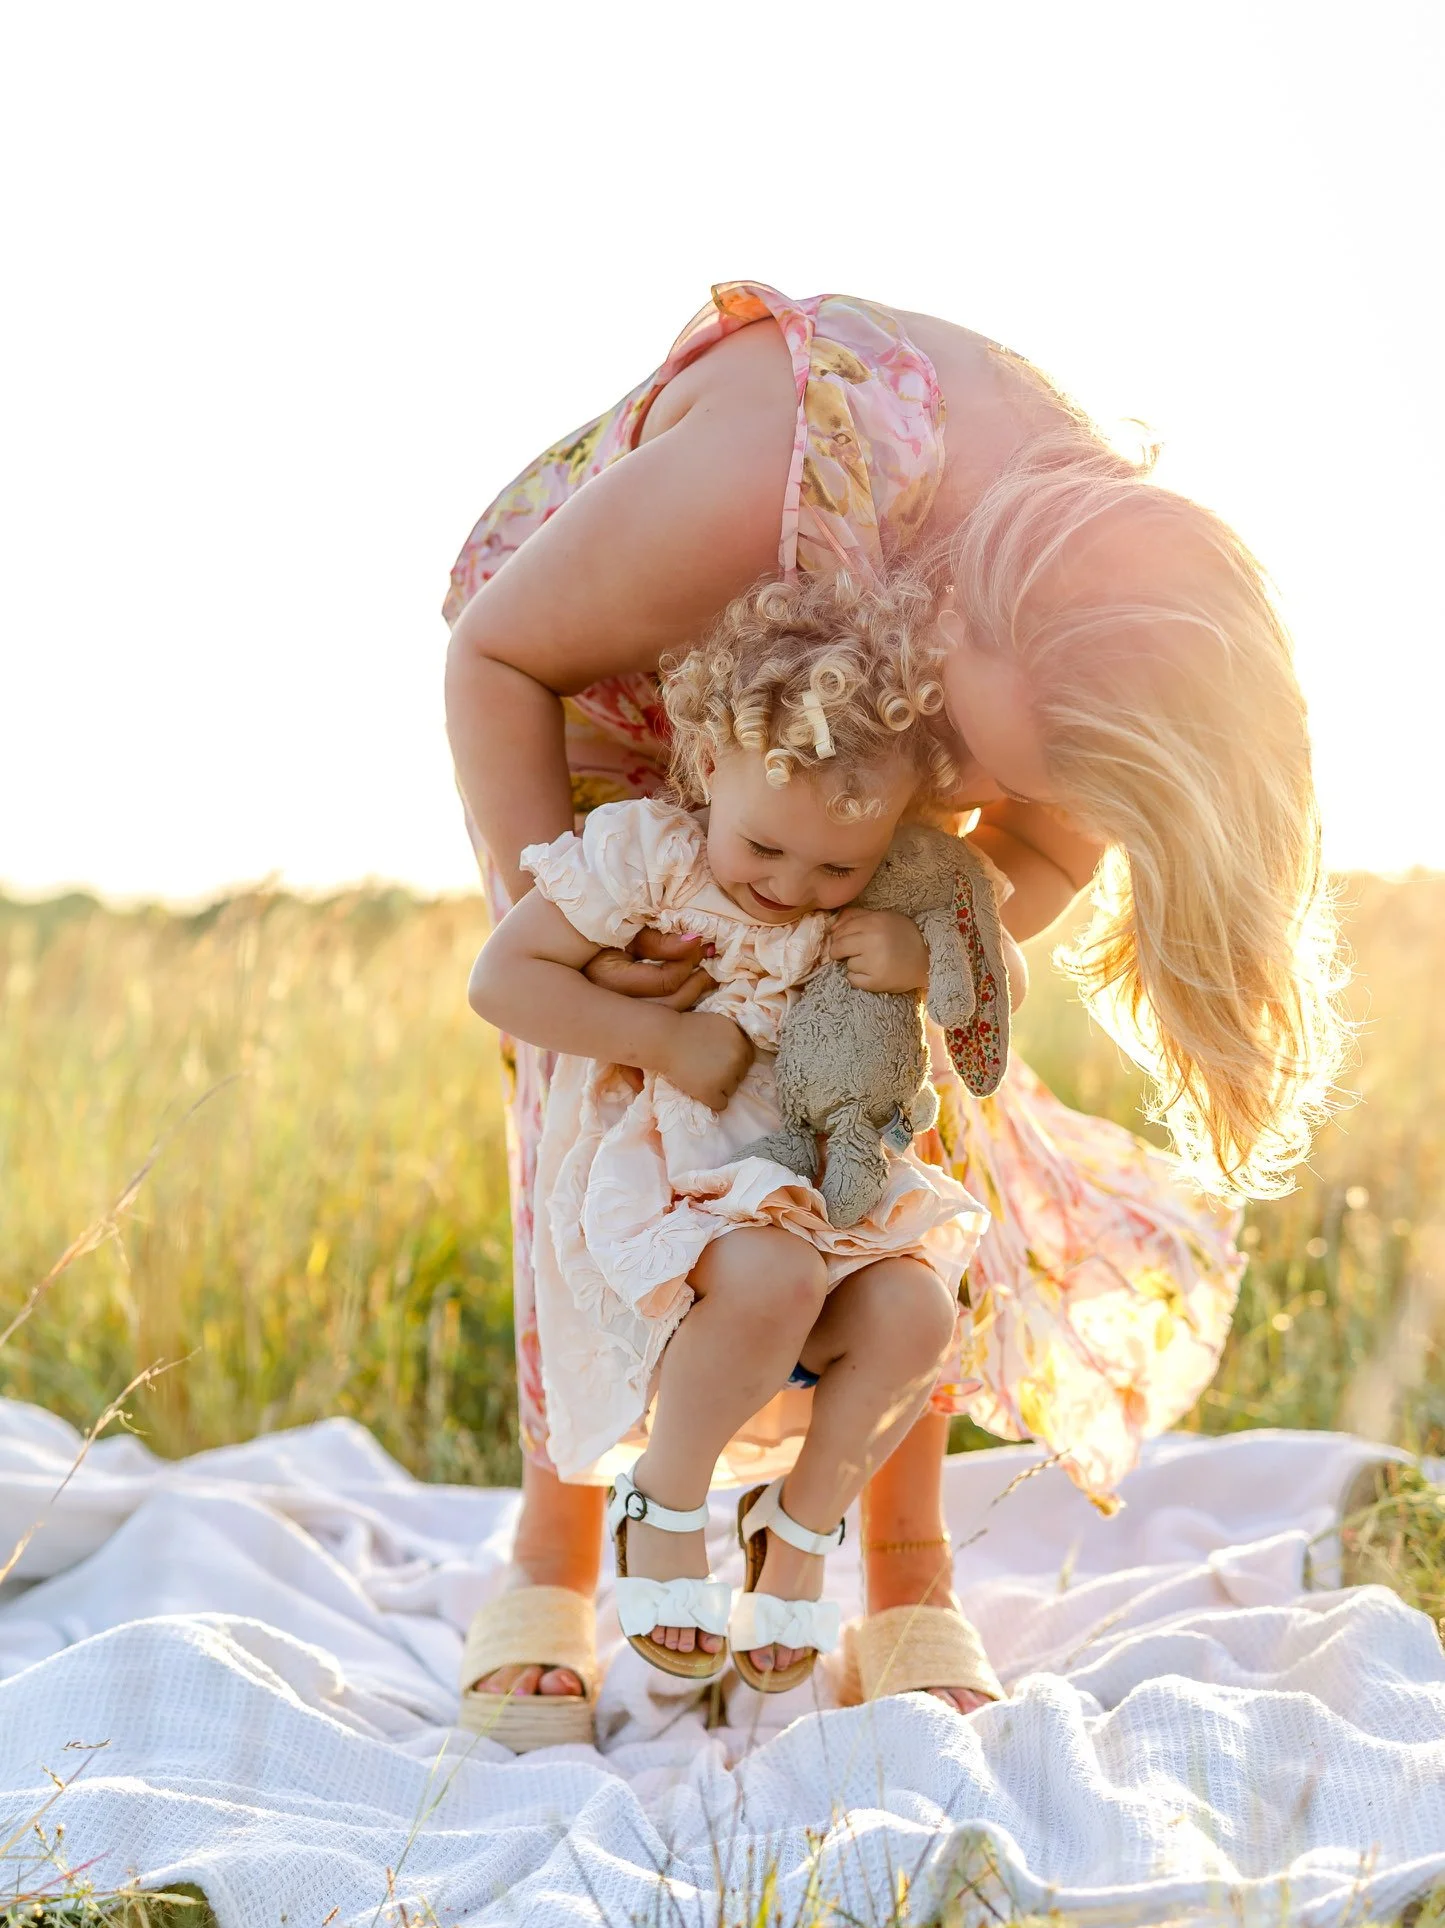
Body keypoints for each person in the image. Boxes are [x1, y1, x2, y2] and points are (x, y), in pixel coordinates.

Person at [443, 283, 1344, 1747]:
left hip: (849, 815)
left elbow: (1034, 857)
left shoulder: (1099, 612)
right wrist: (565, 947)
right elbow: (496, 655)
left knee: (906, 1140)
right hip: (602, 698)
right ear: (976, 631)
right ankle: (554, 1556)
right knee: (592, 1115)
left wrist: (920, 953)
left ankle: (901, 1569)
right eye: (1002, 757)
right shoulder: (764, 489)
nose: (989, 792)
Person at [465, 572, 1019, 1732]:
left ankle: (799, 1528)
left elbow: (995, 979)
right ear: (708, 761)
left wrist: (918, 964)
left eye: (834, 868)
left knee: (918, 1314)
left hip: (825, 1171)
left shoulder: (882, 882)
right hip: (681, 1160)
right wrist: (661, 1035)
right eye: (766, 847)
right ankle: (659, 1503)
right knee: (771, 1273)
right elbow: (501, 980)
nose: (790, 888)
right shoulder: (644, 856)